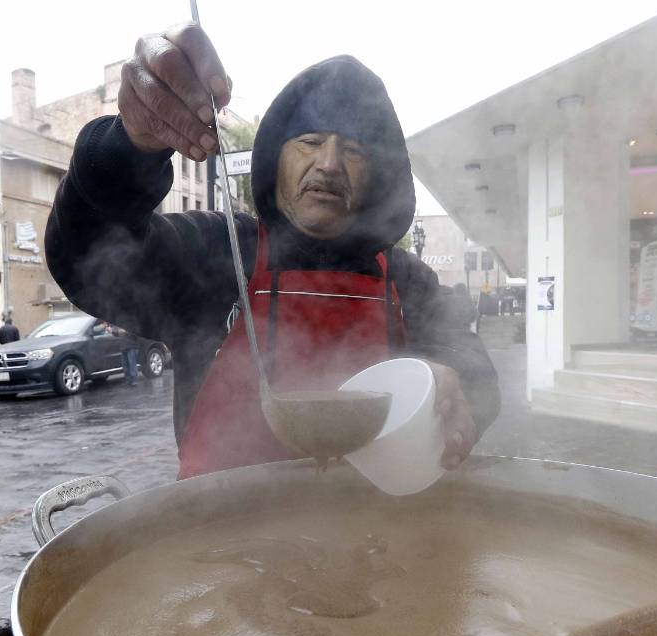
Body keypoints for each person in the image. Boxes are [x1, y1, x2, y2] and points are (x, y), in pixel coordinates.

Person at [46, 23, 499, 478]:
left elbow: (469, 361)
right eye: (310, 142)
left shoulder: (408, 279)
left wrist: (454, 382)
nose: (329, 163)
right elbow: (86, 257)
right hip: (219, 537)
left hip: (373, 534)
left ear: (379, 178)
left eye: (354, 151)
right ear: (274, 160)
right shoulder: (219, 255)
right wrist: (128, 146)